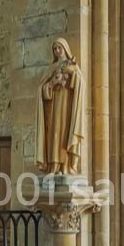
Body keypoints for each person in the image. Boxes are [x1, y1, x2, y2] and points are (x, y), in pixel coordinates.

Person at [36, 38, 85, 175]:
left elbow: (80, 84)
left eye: (59, 48)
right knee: (54, 135)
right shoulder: (51, 68)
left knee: (65, 134)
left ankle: (66, 166)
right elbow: (41, 89)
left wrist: (71, 73)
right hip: (53, 108)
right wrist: (52, 84)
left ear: (65, 48)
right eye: (55, 49)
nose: (57, 51)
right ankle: (54, 166)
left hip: (67, 106)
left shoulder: (73, 66)